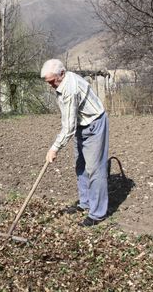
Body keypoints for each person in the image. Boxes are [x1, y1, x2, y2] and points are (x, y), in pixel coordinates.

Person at [41, 59, 109, 227]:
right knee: (81, 165)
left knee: (95, 169)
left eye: (51, 81)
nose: (50, 85)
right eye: (47, 82)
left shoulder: (70, 89)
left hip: (94, 125)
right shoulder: (63, 82)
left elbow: (68, 126)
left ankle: (97, 213)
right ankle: (85, 203)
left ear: (62, 74)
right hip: (82, 124)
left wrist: (54, 148)